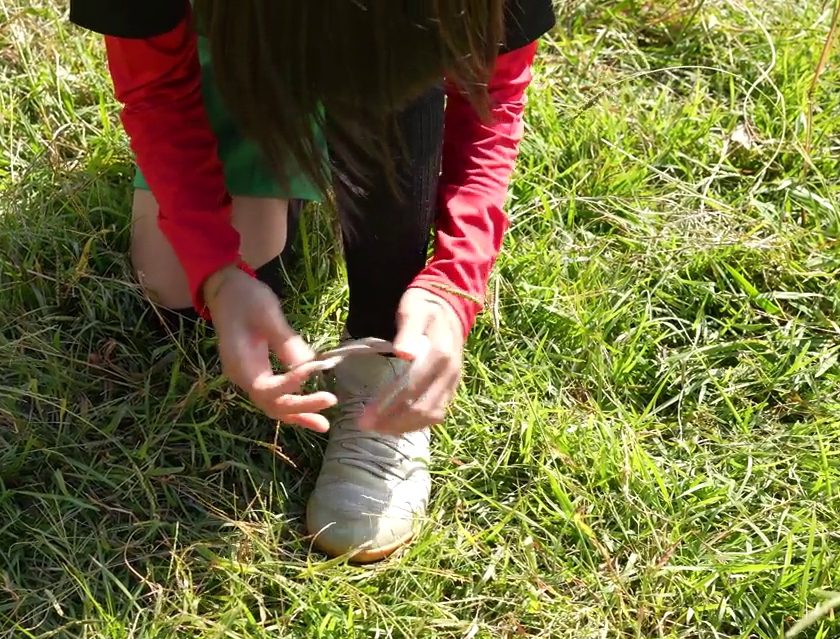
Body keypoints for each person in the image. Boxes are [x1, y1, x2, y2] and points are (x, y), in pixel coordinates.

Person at [68, 0, 555, 562]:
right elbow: (156, 89)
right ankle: (283, 136)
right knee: (172, 287)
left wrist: (453, 284)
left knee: (391, 62)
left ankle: (381, 358)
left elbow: (492, 95)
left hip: (385, 32)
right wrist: (218, 272)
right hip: (242, 44)